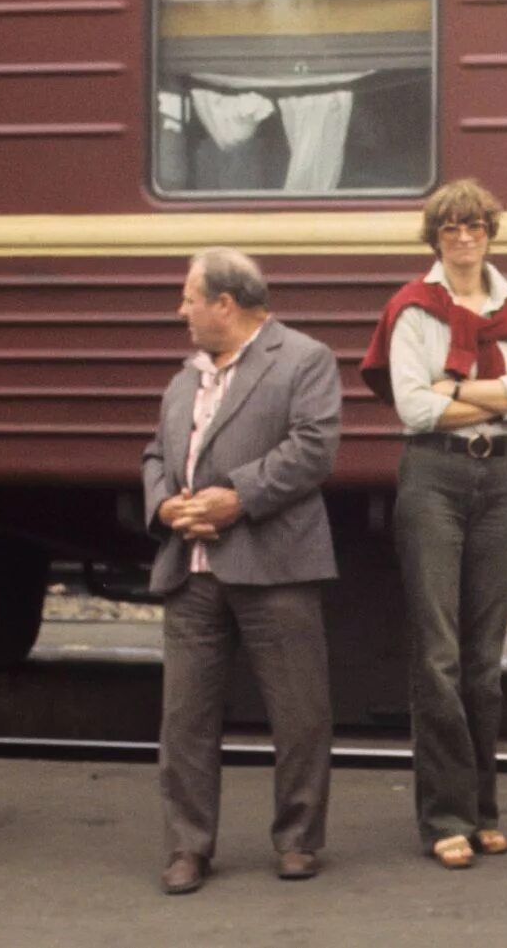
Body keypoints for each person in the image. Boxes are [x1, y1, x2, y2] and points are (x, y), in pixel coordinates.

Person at [359, 178, 507, 870]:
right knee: (439, 653)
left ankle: (483, 809)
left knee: (485, 658)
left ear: (490, 231)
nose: (464, 234)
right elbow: (412, 410)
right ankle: (444, 815)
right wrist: (501, 397)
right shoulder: (412, 309)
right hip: (435, 477)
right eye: (450, 225)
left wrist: (455, 389)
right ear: (436, 235)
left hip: (505, 480)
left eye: (474, 223)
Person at [142, 248, 343, 895]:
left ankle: (298, 839)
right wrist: (165, 503)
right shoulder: (185, 376)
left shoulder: (303, 358)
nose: (180, 310)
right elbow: (155, 453)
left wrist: (237, 496)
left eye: (188, 297)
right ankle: (187, 847)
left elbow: (313, 448)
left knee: (299, 712)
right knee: (185, 719)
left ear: (224, 303)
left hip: (274, 562)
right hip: (192, 566)